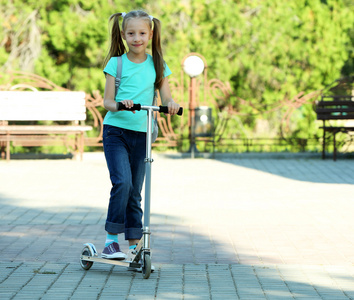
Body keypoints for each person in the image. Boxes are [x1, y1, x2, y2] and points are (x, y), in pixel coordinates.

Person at [101, 10, 180, 262]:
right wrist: (121, 104)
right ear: (123, 35)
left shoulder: (157, 65)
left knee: (135, 191)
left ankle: (134, 245)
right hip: (116, 131)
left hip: (143, 133)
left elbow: (166, 97)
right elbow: (107, 102)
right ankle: (111, 242)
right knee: (122, 183)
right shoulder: (116, 64)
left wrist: (172, 104)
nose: (137, 38)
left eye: (142, 33)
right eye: (131, 33)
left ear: (151, 34)